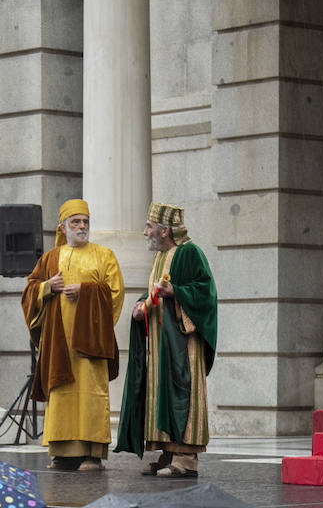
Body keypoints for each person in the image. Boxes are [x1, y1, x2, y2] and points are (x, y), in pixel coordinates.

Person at [115, 201, 218, 478]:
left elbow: (205, 292)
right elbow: (155, 293)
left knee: (182, 390)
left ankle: (186, 458)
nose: (145, 232)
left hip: (183, 343)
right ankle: (169, 452)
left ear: (164, 230)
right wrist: (142, 305)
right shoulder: (161, 256)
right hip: (161, 342)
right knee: (160, 393)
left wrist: (176, 292)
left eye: (149, 227)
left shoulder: (190, 252)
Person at [21, 199, 125, 471]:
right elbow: (29, 290)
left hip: (89, 341)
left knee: (91, 394)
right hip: (59, 342)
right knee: (62, 393)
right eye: (75, 222)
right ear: (63, 227)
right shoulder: (50, 258)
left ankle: (92, 455)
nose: (81, 227)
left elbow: (114, 293)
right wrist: (47, 287)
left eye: (85, 222)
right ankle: (63, 453)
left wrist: (86, 291)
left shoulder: (104, 255)